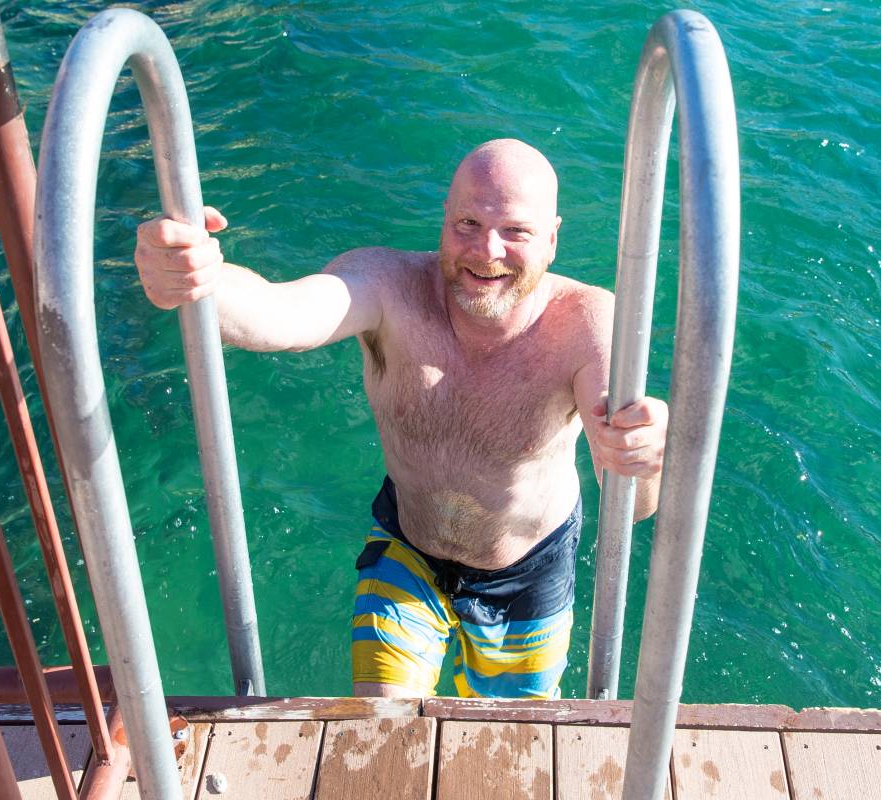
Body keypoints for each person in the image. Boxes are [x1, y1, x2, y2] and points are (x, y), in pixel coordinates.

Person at [132, 138, 668, 699]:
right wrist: (198, 280)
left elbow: (633, 506)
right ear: (443, 219)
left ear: (552, 238)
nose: (487, 251)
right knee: (380, 736)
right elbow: (281, 313)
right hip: (407, 550)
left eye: (515, 231)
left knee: (511, 750)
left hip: (527, 574)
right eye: (467, 222)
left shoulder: (588, 326)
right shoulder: (387, 288)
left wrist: (643, 456)